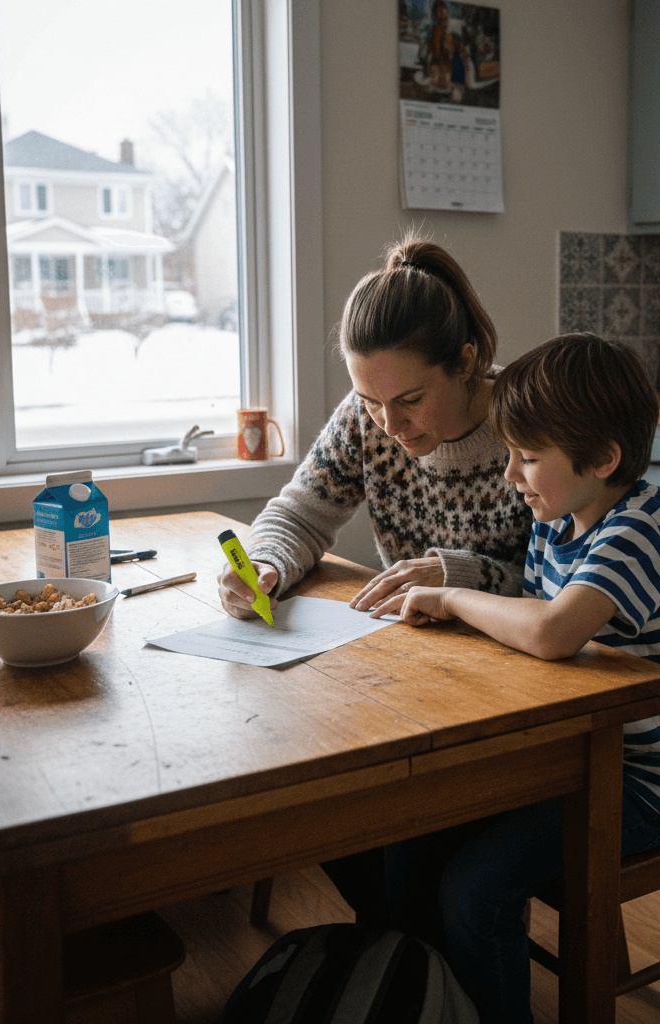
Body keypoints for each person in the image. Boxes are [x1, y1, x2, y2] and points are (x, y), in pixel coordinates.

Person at [370, 333, 660, 1024]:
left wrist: (451, 597)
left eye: (527, 459)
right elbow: (534, 613)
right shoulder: (559, 521)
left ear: (603, 460)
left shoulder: (641, 525)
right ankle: (431, 1003)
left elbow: (553, 631)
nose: (510, 477)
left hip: (646, 782)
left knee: (475, 890)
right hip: (574, 757)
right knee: (408, 836)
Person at [217, 231, 533, 925]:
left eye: (411, 400)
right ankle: (410, 959)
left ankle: (415, 962)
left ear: (468, 362)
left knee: (397, 825)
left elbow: (560, 588)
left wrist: (458, 577)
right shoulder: (370, 416)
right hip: (414, 684)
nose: (389, 425)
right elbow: (297, 512)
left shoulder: (531, 425)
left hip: (520, 704)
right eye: (370, 401)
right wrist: (267, 563)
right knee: (308, 803)